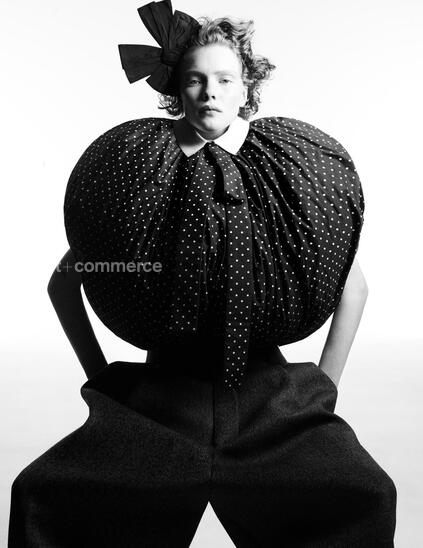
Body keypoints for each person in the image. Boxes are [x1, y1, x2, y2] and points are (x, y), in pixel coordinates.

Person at [8, 0, 397, 546]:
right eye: (195, 80)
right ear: (176, 88)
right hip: (161, 393)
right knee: (43, 497)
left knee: (366, 493)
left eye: (224, 80)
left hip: (268, 391)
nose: (210, 92)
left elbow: (352, 285)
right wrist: (102, 380)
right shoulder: (136, 166)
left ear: (246, 88)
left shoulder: (288, 169)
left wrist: (322, 388)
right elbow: (64, 282)